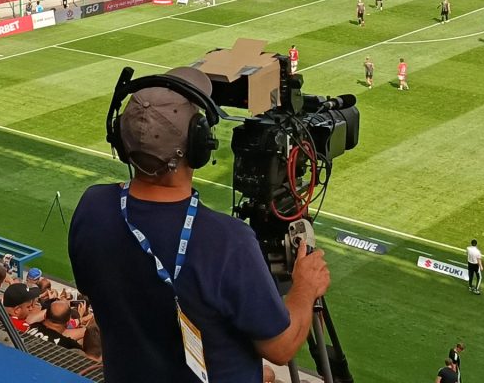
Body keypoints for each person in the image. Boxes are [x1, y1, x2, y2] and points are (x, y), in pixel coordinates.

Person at [68, 67, 331, 383]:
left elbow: (98, 291)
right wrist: (305, 287)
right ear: (198, 145)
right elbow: (281, 347)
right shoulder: (228, 241)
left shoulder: (93, 207)